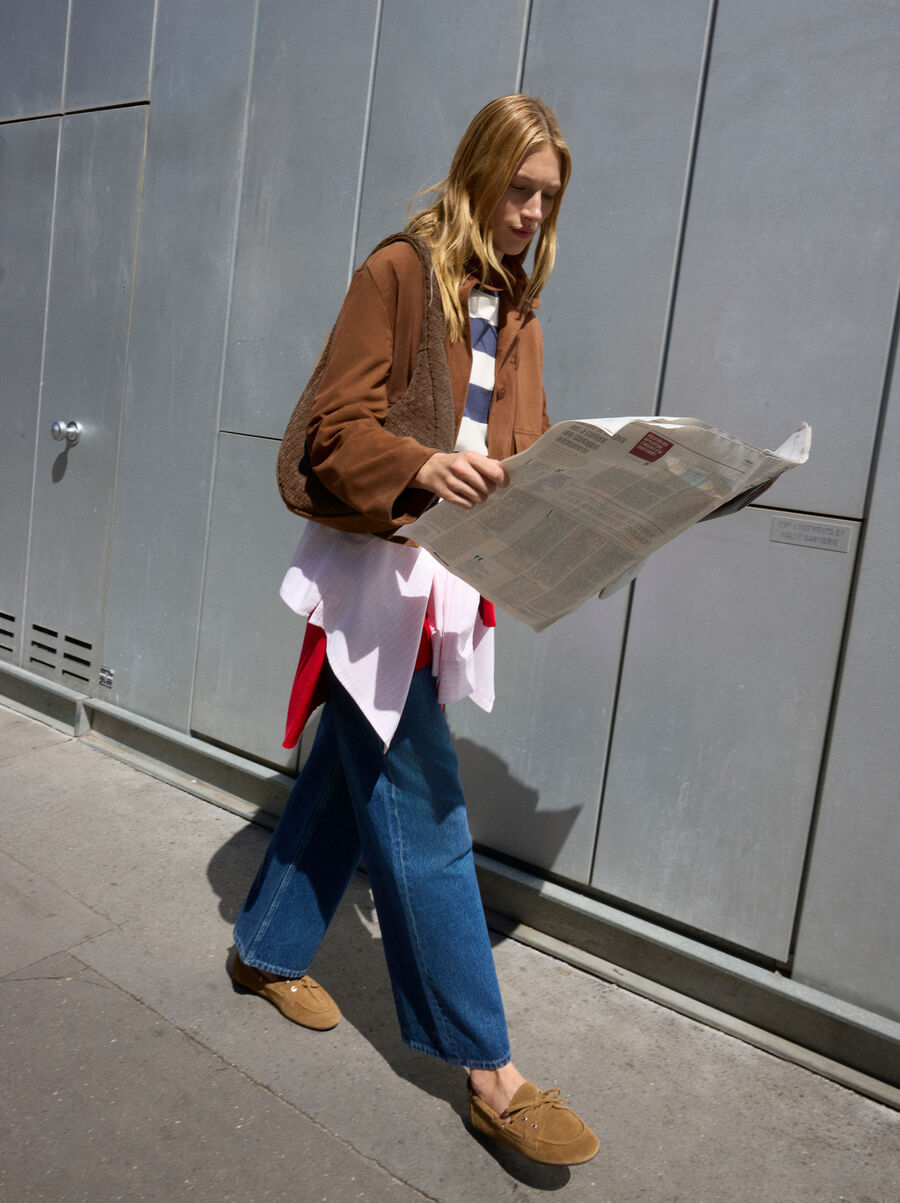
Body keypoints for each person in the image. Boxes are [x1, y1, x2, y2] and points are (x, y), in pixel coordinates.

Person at [230, 95, 599, 1167]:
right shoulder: (399, 272)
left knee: (350, 780)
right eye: (519, 188)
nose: (532, 212)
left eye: (549, 197)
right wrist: (421, 463)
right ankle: (491, 1071)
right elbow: (330, 433)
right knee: (427, 807)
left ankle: (264, 948)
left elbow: (522, 463)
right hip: (371, 587)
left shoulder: (520, 315)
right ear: (477, 172)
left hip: (447, 591)